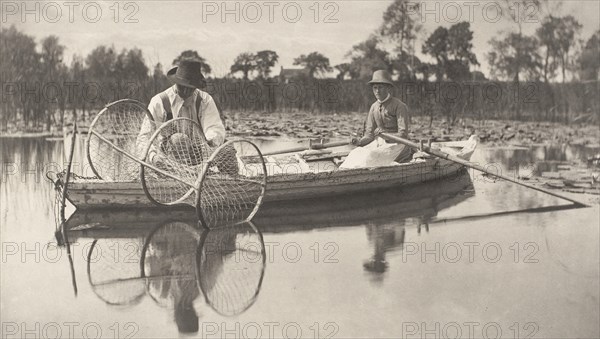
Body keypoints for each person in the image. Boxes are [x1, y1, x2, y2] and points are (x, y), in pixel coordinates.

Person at [137, 59, 238, 174]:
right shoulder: (159, 101)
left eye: (190, 88)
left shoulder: (205, 100)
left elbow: (214, 128)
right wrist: (153, 156)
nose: (185, 91)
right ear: (176, 82)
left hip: (200, 153)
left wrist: (211, 141)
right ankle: (177, 179)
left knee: (227, 148)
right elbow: (143, 138)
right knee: (179, 139)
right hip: (169, 157)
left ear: (196, 86)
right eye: (182, 86)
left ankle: (233, 183)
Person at [351, 70, 412, 163]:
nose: (377, 91)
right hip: (380, 143)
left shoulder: (399, 106)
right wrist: (359, 142)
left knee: (371, 157)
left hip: (398, 145)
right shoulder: (373, 107)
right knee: (355, 154)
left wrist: (385, 135)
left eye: (380, 87)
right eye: (375, 88)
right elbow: (369, 135)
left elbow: (403, 135)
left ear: (388, 88)